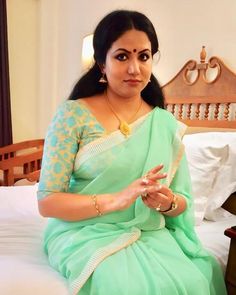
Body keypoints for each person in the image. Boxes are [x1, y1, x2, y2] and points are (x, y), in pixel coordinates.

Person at [37, 9, 227, 295]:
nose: (135, 68)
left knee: (194, 280)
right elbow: (48, 201)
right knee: (124, 286)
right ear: (101, 62)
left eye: (144, 56)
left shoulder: (164, 124)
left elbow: (183, 201)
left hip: (149, 231)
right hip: (83, 232)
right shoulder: (72, 115)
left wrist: (166, 203)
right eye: (122, 56)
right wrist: (116, 200)